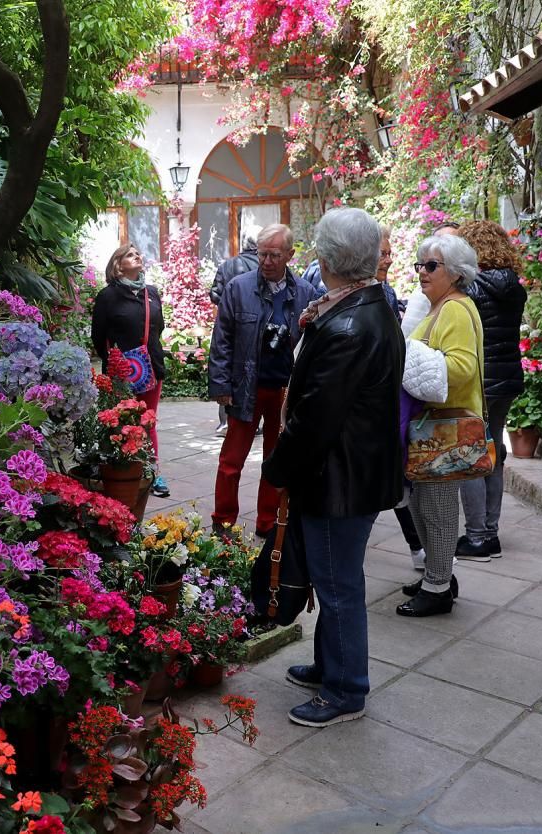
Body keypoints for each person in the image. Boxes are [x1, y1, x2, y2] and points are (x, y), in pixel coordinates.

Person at [261, 207, 404, 727]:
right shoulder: (363, 306)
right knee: (332, 577)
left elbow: (316, 417)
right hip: (349, 472)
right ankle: (329, 666)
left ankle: (346, 690)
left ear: (329, 259)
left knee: (339, 584)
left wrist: (275, 468)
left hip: (339, 478)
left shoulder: (350, 322)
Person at [207, 224, 315, 538]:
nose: (266, 261)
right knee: (231, 460)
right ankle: (223, 521)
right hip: (246, 386)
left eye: (274, 255)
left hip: (285, 391)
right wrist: (221, 386)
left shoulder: (307, 294)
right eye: (262, 254)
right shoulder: (238, 288)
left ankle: (268, 521)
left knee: (276, 459)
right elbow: (222, 340)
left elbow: (312, 344)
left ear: (290, 256)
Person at [397, 234, 483, 617]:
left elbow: (461, 368)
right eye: (419, 265)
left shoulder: (455, 310)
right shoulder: (440, 306)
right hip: (429, 427)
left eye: (431, 266)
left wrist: (412, 361)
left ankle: (437, 589)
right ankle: (439, 574)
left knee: (439, 509)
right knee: (422, 504)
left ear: (456, 272)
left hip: (444, 428)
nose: (422, 272)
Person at [454, 220, 527, 560]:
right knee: (493, 452)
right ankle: (491, 532)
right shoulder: (514, 285)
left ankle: (477, 536)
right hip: (507, 380)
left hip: (480, 381)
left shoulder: (472, 287)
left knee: (472, 455)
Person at [91, 243, 171, 497]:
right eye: (129, 254)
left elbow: (160, 327)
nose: (136, 256)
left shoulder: (152, 293)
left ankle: (152, 471)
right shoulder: (107, 296)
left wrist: (145, 359)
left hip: (151, 368)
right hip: (120, 372)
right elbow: (98, 336)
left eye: (137, 253)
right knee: (119, 422)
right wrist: (118, 363)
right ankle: (122, 470)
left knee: (148, 422)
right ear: (118, 265)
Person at [376, 227, 426, 567]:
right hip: (369, 404)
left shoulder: (388, 292)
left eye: (391, 252)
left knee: (396, 480)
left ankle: (416, 547)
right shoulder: (341, 295)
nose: (390, 259)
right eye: (383, 253)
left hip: (389, 400)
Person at [210, 237, 260, 437]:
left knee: (228, 366)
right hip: (256, 323)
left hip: (229, 321)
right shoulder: (264, 265)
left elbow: (214, 293)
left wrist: (226, 302)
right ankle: (254, 421)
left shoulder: (227, 265)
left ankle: (225, 422)